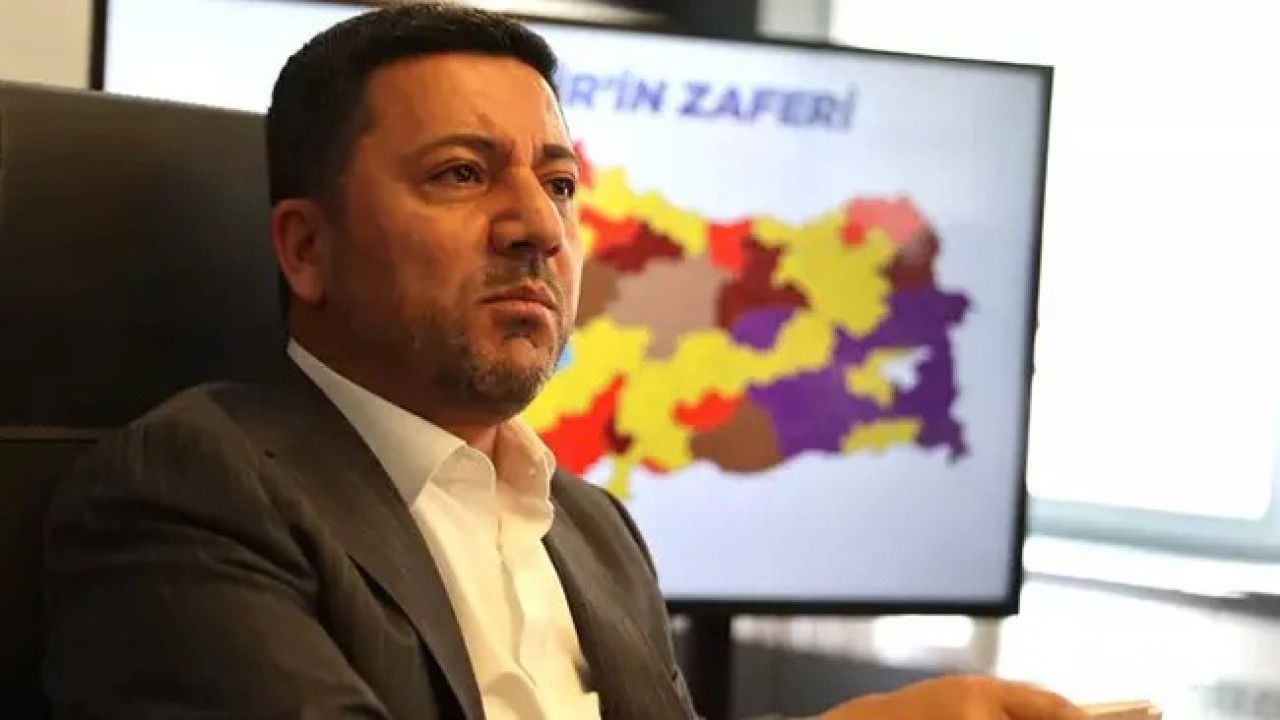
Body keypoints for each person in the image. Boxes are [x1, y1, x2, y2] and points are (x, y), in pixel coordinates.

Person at [40, 4, 1084, 719]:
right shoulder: (194, 489)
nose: (539, 227)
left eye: (558, 183)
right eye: (462, 174)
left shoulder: (590, 528)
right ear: (306, 249)